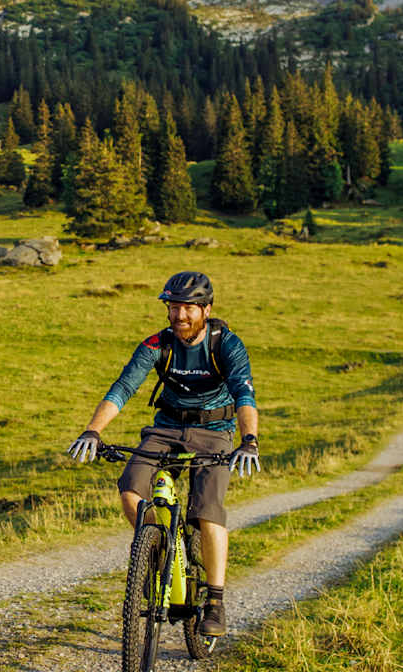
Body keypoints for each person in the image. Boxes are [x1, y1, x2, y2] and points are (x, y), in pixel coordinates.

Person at [67, 271, 259, 637]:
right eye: (173, 307)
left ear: (206, 309)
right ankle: (155, 553)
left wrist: (249, 439)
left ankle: (215, 600)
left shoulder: (227, 345)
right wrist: (94, 430)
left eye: (188, 308)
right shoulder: (158, 344)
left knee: (207, 508)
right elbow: (123, 389)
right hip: (165, 428)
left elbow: (245, 396)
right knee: (131, 489)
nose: (179, 316)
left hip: (214, 430)